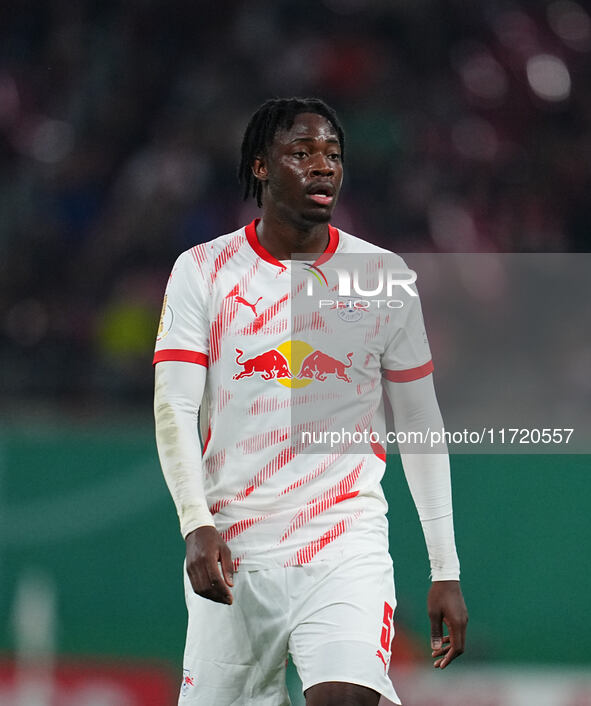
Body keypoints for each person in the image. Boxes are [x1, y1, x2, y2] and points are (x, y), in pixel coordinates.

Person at [153, 97, 468, 706]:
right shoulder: (202, 272)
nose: (322, 166)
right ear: (261, 166)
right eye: (301, 153)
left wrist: (444, 567)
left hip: (344, 541)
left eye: (332, 155)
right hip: (234, 554)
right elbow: (175, 407)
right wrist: (195, 523)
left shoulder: (383, 277)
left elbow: (422, 423)